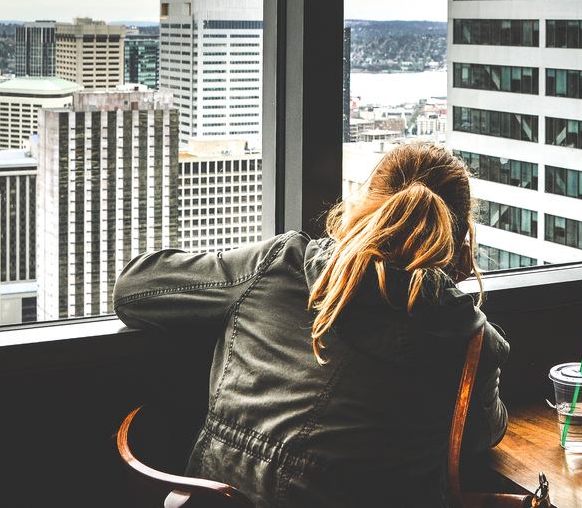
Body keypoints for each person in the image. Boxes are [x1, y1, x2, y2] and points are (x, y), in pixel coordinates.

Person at [113, 141, 509, 507]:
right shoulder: (469, 339)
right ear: (460, 241)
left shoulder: (280, 265)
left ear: (359, 210)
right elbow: (478, 436)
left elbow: (134, 289)